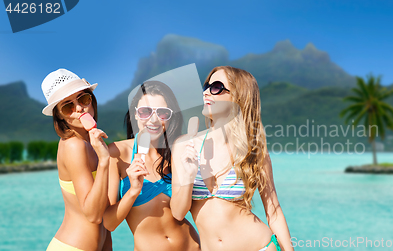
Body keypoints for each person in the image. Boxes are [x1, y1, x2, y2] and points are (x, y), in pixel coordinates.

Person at [171, 66, 293, 251]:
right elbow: (178, 213)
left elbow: (273, 211)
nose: (206, 93)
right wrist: (188, 177)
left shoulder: (253, 151)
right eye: (206, 86)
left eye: (216, 87)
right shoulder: (184, 146)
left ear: (238, 96)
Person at [104, 81, 200, 251]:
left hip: (192, 246)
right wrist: (133, 190)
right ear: (135, 114)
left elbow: (180, 212)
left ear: (171, 117)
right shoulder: (117, 153)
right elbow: (109, 223)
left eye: (163, 113)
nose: (154, 120)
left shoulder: (176, 152)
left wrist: (188, 176)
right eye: (145, 111)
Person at [41, 69, 112, 251]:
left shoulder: (91, 142)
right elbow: (94, 215)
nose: (79, 108)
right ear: (60, 115)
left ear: (92, 100)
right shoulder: (74, 146)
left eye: (83, 99)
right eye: (68, 107)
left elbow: (105, 216)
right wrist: (104, 161)